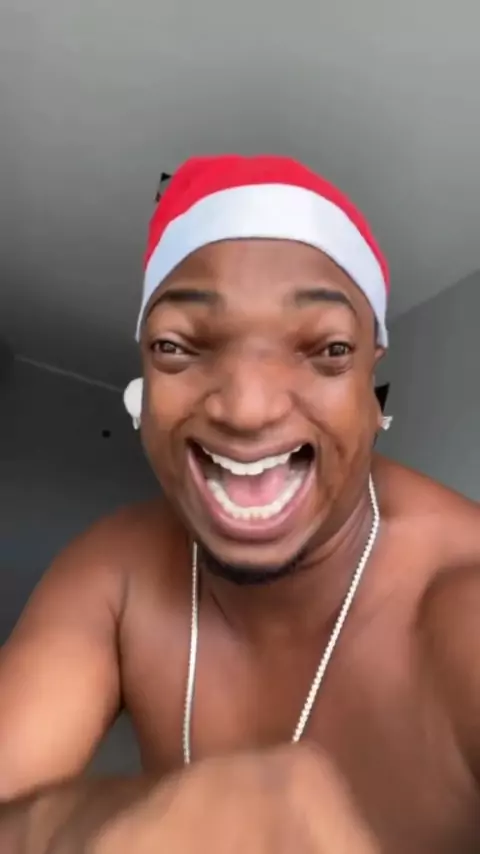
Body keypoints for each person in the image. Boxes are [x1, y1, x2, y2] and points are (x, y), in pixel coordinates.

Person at [0, 154, 479, 853]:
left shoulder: (464, 604)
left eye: (328, 348)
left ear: (371, 390)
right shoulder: (112, 573)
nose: (248, 409)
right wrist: (81, 826)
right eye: (177, 346)